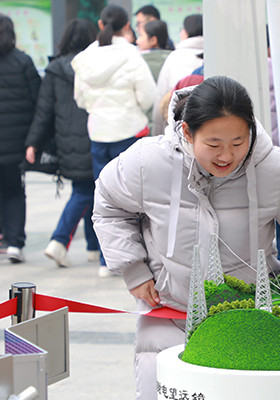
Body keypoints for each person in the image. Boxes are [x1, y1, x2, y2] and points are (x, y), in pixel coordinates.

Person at [93, 76, 280, 400]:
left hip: (247, 320)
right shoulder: (148, 162)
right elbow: (108, 205)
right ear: (187, 132)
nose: (226, 156)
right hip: (168, 312)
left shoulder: (273, 168)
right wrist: (133, 269)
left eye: (238, 142)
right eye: (214, 144)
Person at [71, 4, 157, 277]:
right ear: (127, 26)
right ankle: (136, 259)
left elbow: (79, 99)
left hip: (98, 132)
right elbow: (148, 96)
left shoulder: (85, 59)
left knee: (103, 196)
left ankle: (105, 261)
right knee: (134, 197)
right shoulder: (131, 55)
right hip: (128, 131)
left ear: (100, 24)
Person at [24, 19, 99, 268]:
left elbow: (43, 111)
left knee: (88, 189)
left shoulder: (55, 69)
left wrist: (33, 142)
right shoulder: (96, 66)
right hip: (96, 135)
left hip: (67, 140)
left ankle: (93, 247)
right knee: (86, 190)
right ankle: (58, 241)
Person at [0, 14, 41, 263]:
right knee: (14, 191)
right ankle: (14, 243)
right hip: (16, 143)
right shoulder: (23, 61)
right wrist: (33, 140)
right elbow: (38, 101)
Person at [151, 14, 204, 136]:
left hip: (177, 127)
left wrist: (156, 133)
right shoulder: (216, 55)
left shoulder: (175, 57)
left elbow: (161, 96)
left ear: (187, 31)